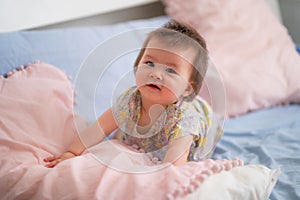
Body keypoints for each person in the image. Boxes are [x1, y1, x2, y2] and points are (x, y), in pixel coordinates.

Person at [44, 19, 223, 168]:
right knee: (122, 139)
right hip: (145, 136)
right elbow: (100, 127)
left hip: (194, 127)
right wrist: (71, 152)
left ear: (187, 88)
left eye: (170, 70)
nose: (155, 74)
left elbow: (173, 168)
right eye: (149, 63)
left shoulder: (185, 120)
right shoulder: (130, 101)